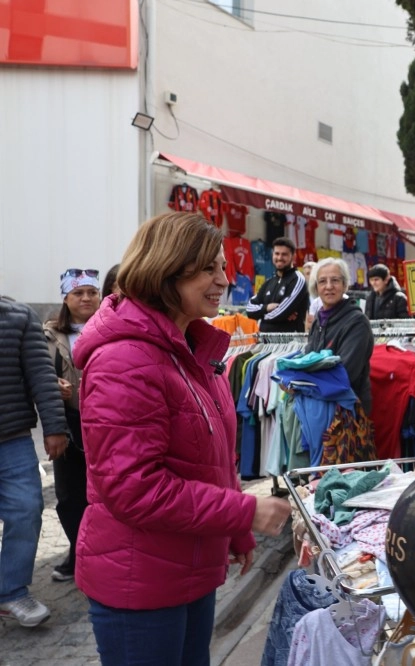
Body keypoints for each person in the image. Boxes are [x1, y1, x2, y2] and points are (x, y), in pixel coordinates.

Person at [73, 212, 290, 666]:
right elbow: (135, 489)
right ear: (168, 268)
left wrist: (233, 528)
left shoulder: (190, 349)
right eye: (209, 268)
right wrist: (244, 511)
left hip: (187, 570)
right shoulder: (125, 360)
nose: (222, 280)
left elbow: (210, 456)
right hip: (141, 582)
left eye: (222, 267)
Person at [0, 296, 68, 628]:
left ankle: (11, 592)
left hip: (11, 439)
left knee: (26, 509)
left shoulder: (17, 315)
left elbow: (41, 374)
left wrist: (55, 426)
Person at [43, 268, 102, 583]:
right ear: (65, 298)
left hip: (108, 423)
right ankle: (78, 549)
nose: (86, 298)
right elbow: (35, 374)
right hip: (69, 420)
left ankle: (102, 550)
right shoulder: (50, 334)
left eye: (91, 292)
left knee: (104, 490)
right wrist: (54, 384)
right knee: (68, 494)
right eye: (78, 293)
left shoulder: (111, 327)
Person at [307, 258, 375, 415]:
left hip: (347, 415)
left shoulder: (357, 322)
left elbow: (344, 373)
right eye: (322, 281)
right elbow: (308, 358)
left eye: (335, 280)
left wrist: (302, 383)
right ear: (316, 287)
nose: (329, 286)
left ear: (345, 285)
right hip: (319, 408)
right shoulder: (318, 321)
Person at [246, 237, 309, 333]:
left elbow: (281, 312)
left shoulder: (298, 280)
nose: (279, 258)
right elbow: (249, 309)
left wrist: (261, 316)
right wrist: (267, 308)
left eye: (284, 254)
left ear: (293, 257)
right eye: (277, 254)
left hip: (290, 344)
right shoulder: (269, 282)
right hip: (266, 344)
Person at [301, 261, 321, 330]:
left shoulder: (325, 293)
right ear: (304, 276)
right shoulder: (301, 296)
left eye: (313, 273)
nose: (310, 276)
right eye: (307, 274)